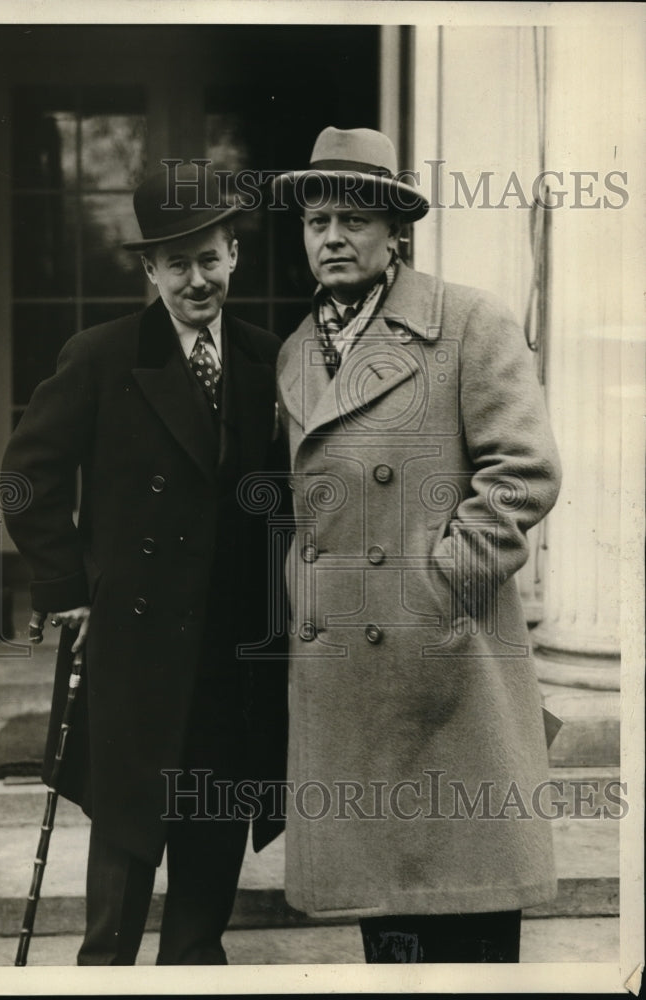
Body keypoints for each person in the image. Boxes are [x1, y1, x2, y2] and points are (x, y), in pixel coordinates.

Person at [272, 127, 562, 963]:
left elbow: (523, 473)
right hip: (350, 685)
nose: (332, 236)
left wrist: (434, 589)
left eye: (354, 219)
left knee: (469, 928)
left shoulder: (468, 322)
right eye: (316, 220)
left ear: (395, 231)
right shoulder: (296, 354)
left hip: (449, 665)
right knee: (388, 934)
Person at [1, 163, 288, 965]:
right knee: (129, 827)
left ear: (235, 255)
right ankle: (106, 975)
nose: (196, 280)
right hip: (133, 640)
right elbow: (27, 480)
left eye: (210, 259)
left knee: (213, 821)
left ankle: (193, 967)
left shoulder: (270, 359)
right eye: (176, 263)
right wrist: (69, 592)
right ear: (148, 270)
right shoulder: (101, 356)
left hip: (232, 646)